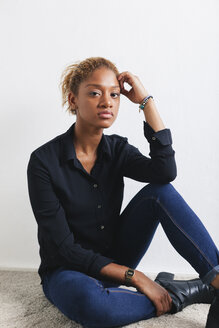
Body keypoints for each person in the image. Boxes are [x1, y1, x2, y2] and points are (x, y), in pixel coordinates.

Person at [27, 56, 219, 328]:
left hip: (115, 255)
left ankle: (217, 280)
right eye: (94, 93)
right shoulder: (43, 162)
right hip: (67, 270)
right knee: (92, 305)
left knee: (160, 192)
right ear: (73, 100)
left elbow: (165, 172)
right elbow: (64, 248)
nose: (107, 101)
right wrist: (137, 278)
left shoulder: (117, 150)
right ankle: (181, 293)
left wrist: (146, 102)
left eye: (114, 94)